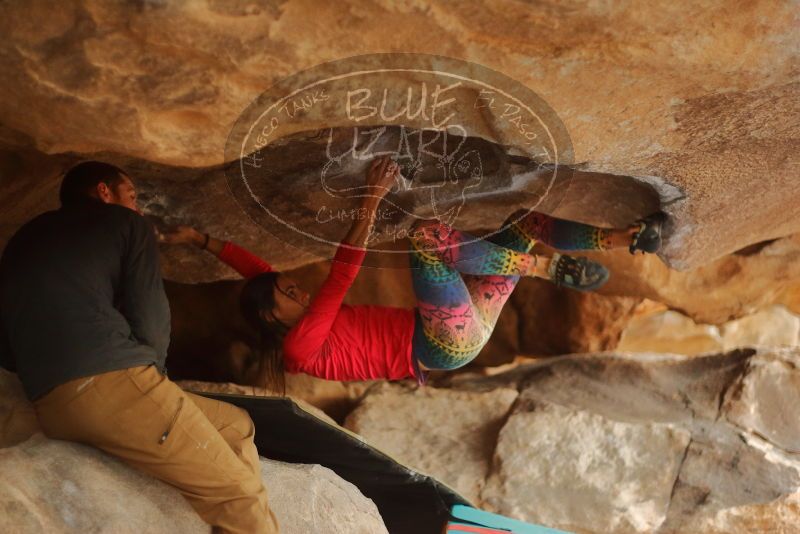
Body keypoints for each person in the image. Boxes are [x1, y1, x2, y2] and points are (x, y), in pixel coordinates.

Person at [162, 157, 665, 389]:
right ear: (275, 319)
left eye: (288, 284)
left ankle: (628, 239)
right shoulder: (302, 344)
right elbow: (341, 275)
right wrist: (371, 199)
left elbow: (258, 274)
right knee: (427, 238)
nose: (294, 285)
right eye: (286, 294)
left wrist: (202, 240)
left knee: (524, 222)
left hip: (465, 328)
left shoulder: (292, 317)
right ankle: (542, 267)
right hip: (441, 343)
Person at [0, 161, 279, 534]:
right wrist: (153, 383)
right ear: (105, 192)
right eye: (131, 196)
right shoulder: (126, 224)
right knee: (241, 494)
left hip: (49, 402)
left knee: (235, 424)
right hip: (112, 384)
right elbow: (149, 312)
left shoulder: (25, 236)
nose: (137, 207)